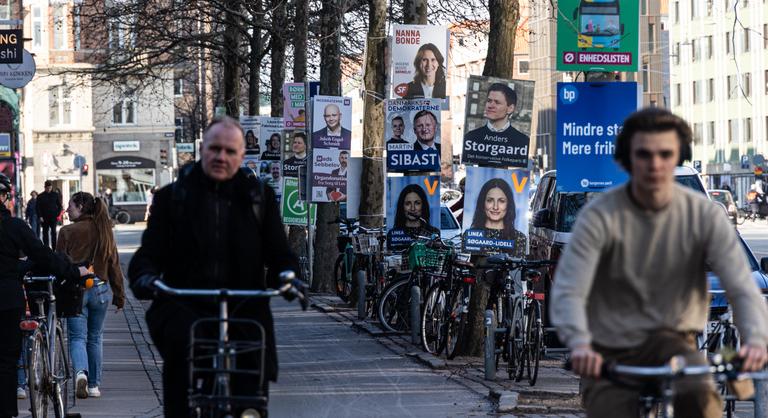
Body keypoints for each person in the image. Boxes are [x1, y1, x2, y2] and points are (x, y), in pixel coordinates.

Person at [550, 108, 768, 417]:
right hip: (613, 343)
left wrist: (755, 340)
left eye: (665, 154)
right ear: (627, 158)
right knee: (608, 406)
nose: (655, 164)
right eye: (644, 154)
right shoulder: (600, 216)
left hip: (674, 342)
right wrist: (580, 343)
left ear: (679, 156)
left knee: (702, 400)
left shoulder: (704, 215)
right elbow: (570, 288)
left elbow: (741, 286)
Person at [127, 116, 299, 417]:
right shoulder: (173, 198)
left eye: (230, 151)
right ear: (202, 149)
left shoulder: (259, 198)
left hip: (244, 305)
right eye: (215, 148)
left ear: (241, 156)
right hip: (186, 303)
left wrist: (287, 275)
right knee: (180, 362)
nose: (221, 156)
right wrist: (145, 276)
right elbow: (150, 253)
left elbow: (279, 252)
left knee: (253, 381)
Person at [0, 173, 90, 418]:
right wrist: (72, 271)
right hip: (6, 299)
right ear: (5, 197)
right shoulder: (14, 226)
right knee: (6, 359)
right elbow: (43, 255)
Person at [57, 192, 125, 399]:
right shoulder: (104, 230)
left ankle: (81, 374)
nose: (67, 210)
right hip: (100, 289)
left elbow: (59, 264)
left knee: (77, 337)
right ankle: (94, 385)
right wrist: (119, 295)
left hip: (75, 290)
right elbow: (114, 263)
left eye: (70, 206)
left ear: (80, 207)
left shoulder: (66, 232)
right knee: (95, 337)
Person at [463, 83, 529, 167]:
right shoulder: (471, 137)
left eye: (497, 102)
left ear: (510, 108)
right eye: (489, 101)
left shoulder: (522, 141)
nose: (491, 106)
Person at [464, 178, 526, 257]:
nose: (495, 207)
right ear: (482, 203)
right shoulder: (470, 235)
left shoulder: (519, 238)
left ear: (509, 204)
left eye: (501, 201)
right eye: (490, 200)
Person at [387, 183, 439, 249]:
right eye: (408, 204)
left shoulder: (434, 233)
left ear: (423, 205)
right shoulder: (393, 234)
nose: (412, 208)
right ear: (402, 206)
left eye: (417, 203)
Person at [37, 180, 62, 249]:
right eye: (47, 188)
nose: (49, 189)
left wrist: (57, 214)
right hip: (44, 218)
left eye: (50, 188)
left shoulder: (55, 195)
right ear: (45, 188)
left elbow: (59, 206)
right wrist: (40, 216)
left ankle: (54, 248)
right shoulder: (40, 196)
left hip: (53, 217)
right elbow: (38, 207)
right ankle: (46, 248)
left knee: (53, 233)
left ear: (51, 187)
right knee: (45, 233)